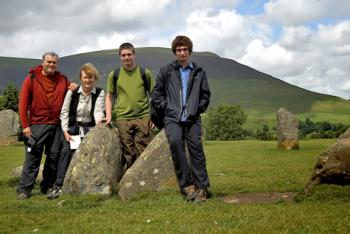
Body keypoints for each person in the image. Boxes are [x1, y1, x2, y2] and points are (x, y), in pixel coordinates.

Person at [151, 35, 211, 202]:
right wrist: (168, 107)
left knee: (196, 149)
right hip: (172, 118)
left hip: (192, 118)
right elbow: (156, 95)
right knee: (176, 144)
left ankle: (202, 188)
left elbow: (205, 96)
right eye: (179, 50)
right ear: (175, 52)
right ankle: (187, 186)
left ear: (189, 51)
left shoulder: (199, 72)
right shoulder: (166, 71)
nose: (182, 53)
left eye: (185, 50)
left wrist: (197, 108)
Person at [17, 52, 77, 199]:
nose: (51, 65)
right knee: (32, 157)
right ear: (42, 62)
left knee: (53, 157)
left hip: (56, 125)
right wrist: (25, 125)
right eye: (49, 62)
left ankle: (47, 186)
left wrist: (73, 86)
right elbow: (23, 103)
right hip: (37, 125)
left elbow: (71, 91)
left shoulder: (62, 79)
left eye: (54, 63)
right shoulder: (31, 78)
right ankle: (24, 189)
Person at [47, 63, 105, 199]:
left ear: (94, 78)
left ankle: (88, 185)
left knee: (90, 154)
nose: (88, 80)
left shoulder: (100, 93)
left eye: (90, 77)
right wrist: (65, 132)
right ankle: (58, 185)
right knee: (66, 152)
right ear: (81, 78)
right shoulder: (72, 92)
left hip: (89, 128)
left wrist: (99, 124)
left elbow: (98, 111)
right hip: (73, 128)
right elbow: (64, 112)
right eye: (85, 77)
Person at [105, 42, 154, 169]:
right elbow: (109, 96)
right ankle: (129, 182)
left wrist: (154, 116)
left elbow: (154, 96)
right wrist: (109, 116)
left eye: (129, 54)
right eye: (123, 55)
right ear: (120, 57)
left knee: (144, 150)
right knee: (128, 153)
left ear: (134, 55)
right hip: (122, 119)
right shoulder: (114, 75)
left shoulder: (145, 73)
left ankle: (144, 179)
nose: (127, 57)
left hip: (143, 117)